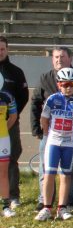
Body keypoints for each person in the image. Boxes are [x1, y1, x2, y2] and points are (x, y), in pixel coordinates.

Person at [31, 46, 73, 210]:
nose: (59, 60)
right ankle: (44, 201)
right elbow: (36, 104)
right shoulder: (45, 78)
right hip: (50, 135)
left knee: (71, 170)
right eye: (56, 57)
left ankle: (68, 202)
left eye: (62, 57)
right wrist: (38, 129)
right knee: (46, 169)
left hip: (72, 136)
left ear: (71, 59)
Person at [0, 36, 29, 209]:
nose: (0, 52)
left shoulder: (16, 72)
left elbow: (23, 97)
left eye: (2, 49)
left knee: (11, 158)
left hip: (10, 123)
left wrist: (12, 116)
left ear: (7, 50)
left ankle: (13, 196)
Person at [0, 73, 17, 217]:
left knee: (3, 173)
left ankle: (5, 206)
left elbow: (13, 116)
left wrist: (3, 128)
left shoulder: (7, 96)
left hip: (2, 138)